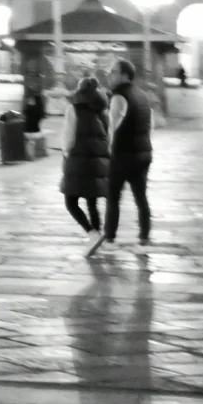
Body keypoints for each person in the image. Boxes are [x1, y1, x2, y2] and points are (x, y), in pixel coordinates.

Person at [92, 59, 155, 256]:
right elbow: (149, 124)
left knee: (113, 197)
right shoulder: (142, 95)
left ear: (125, 75)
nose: (110, 75)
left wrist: (108, 153)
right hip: (144, 152)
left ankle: (110, 239)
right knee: (141, 197)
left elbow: (113, 128)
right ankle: (144, 240)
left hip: (124, 155)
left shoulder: (119, 97)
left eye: (114, 72)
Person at [60, 77, 110, 236]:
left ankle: (92, 233)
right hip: (98, 162)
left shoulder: (72, 110)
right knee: (92, 202)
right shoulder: (102, 111)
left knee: (70, 202)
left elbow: (69, 139)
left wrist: (65, 153)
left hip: (78, 160)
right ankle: (97, 232)